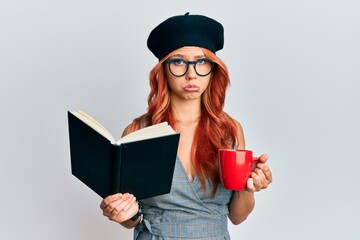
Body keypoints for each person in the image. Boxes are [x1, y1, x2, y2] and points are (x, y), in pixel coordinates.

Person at [100, 12, 273, 240]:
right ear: (163, 70)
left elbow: (238, 216)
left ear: (213, 69)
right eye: (179, 62)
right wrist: (122, 213)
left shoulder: (230, 130)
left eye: (201, 62)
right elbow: (130, 218)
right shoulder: (137, 132)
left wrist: (250, 186)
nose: (192, 74)